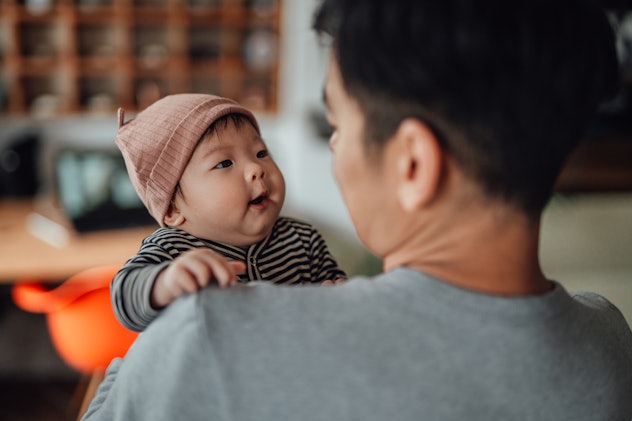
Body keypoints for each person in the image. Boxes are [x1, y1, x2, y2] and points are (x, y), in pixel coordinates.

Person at [84, 0, 632, 419]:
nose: (333, 148)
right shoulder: (610, 346)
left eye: (339, 126)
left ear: (413, 163)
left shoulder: (206, 341)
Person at [112, 94, 346, 331]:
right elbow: (124, 299)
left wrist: (335, 296)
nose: (256, 168)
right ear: (173, 209)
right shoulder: (172, 251)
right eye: (224, 163)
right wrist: (165, 283)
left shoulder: (303, 240)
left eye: (261, 153)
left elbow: (339, 292)